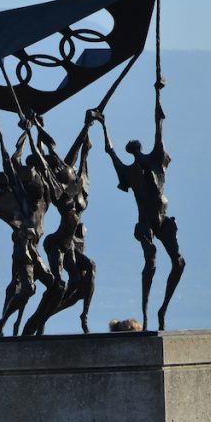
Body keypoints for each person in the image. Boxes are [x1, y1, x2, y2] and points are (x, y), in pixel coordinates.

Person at [92, 76, 186, 331]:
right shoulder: (130, 172)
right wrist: (102, 124)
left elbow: (159, 124)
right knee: (151, 259)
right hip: (145, 220)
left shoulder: (155, 159)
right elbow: (109, 151)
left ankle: (162, 309)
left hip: (163, 219)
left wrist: (158, 93)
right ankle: (145, 316)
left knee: (179, 262)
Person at [20, 114, 99, 335]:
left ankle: (83, 316)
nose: (55, 161)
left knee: (88, 270)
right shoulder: (56, 189)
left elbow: (70, 147)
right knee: (59, 285)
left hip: (69, 244)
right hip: (56, 244)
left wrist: (87, 125)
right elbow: (43, 159)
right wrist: (31, 130)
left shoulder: (70, 173)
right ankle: (37, 323)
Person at [0, 124, 52, 337]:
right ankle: (1, 323)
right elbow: (7, 163)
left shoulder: (40, 200)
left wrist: (33, 130)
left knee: (55, 285)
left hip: (34, 248)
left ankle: (35, 325)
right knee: (28, 289)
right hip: (23, 247)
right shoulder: (9, 202)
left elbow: (38, 164)